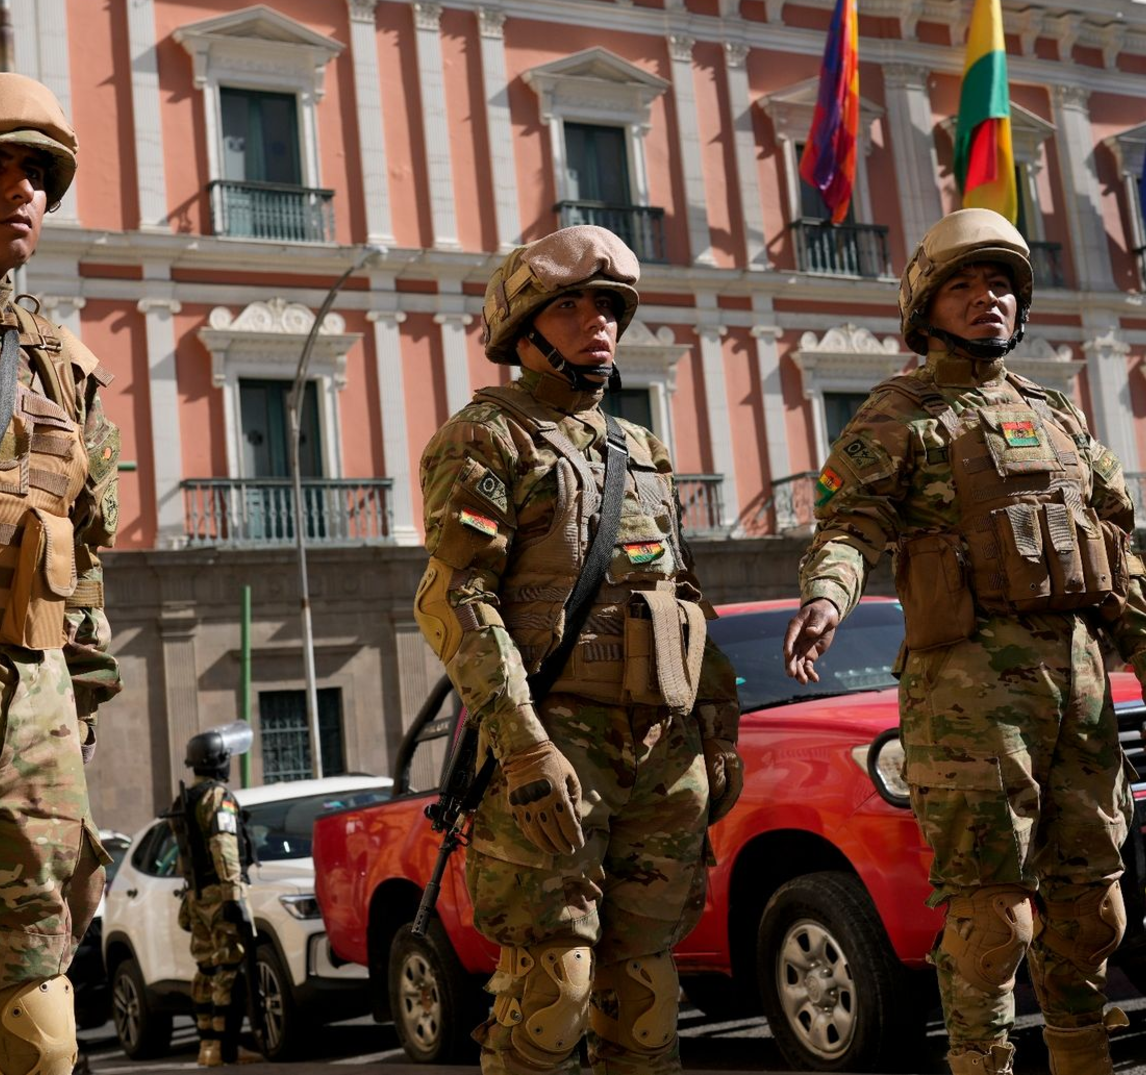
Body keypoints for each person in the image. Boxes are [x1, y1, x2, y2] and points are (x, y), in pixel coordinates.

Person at [782, 208, 1146, 1075]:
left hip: (1080, 691)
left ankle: (1082, 1056)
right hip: (969, 703)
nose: (986, 299)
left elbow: (1116, 550)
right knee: (992, 918)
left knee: (1093, 906)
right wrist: (829, 597)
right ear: (925, 307)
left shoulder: (1056, 415)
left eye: (999, 285)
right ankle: (981, 1060)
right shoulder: (899, 412)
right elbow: (848, 525)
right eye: (963, 285)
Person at [413, 225, 742, 1075]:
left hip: (661, 759)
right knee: (552, 995)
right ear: (525, 331)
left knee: (647, 1001)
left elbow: (685, 600)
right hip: (555, 754)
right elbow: (457, 596)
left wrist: (718, 729)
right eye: (570, 305)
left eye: (608, 305)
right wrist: (522, 748)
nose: (597, 320)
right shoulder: (488, 437)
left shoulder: (645, 452)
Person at [0, 72, 122, 1075]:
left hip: (31, 726)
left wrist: (76, 709)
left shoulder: (59, 359)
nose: (21, 190)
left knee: (36, 1037)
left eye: (38, 172)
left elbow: (82, 561)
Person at [170, 723, 259, 1067]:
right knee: (229, 970)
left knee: (205, 970)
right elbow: (223, 846)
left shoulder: (185, 798)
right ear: (219, 761)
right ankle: (227, 1048)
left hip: (196, 897)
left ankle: (207, 1047)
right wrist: (234, 894)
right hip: (220, 895)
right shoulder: (217, 797)